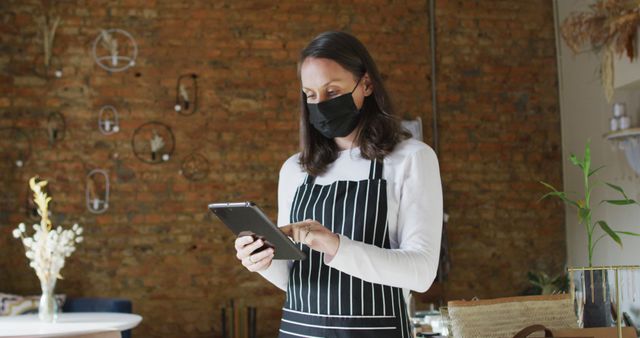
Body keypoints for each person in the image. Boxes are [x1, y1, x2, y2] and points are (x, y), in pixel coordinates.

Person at [234, 31, 443, 338]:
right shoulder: (295, 169)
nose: (320, 104)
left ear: (367, 85)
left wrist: (334, 245)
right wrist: (262, 261)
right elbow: (296, 279)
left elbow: (421, 274)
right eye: (311, 95)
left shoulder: (412, 158)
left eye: (332, 92)